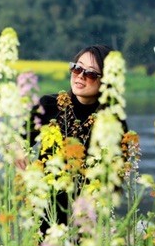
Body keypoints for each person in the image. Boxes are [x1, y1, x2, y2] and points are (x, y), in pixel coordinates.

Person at [23, 44, 127, 227]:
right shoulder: (49, 106)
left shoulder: (112, 122)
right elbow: (17, 139)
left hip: (87, 220)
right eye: (77, 68)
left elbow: (117, 175)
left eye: (91, 73)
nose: (80, 75)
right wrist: (16, 150)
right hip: (45, 215)